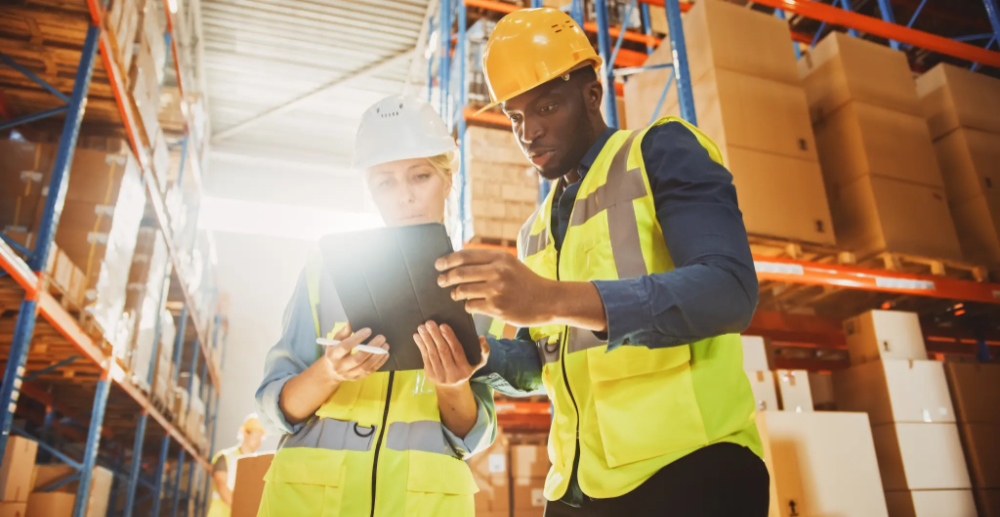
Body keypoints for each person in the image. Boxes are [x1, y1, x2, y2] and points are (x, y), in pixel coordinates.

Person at [441, 8, 770, 517]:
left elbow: (729, 290)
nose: (528, 133)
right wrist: (480, 356)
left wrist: (549, 299)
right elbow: (539, 367)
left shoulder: (660, 151)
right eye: (515, 117)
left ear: (593, 94)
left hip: (690, 471)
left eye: (546, 107)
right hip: (578, 488)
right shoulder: (535, 230)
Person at [254, 96, 496, 517]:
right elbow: (276, 408)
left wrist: (452, 384)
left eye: (420, 176)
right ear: (371, 192)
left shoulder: (478, 283)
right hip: (311, 503)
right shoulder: (326, 271)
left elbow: (472, 436)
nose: (405, 197)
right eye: (386, 183)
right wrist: (329, 372)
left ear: (447, 180)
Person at [206, 414, 266, 517]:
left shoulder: (258, 464)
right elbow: (222, 488)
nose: (258, 441)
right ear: (245, 434)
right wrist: (243, 511)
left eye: (261, 437)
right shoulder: (225, 457)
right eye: (256, 435)